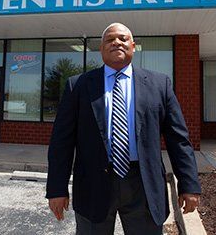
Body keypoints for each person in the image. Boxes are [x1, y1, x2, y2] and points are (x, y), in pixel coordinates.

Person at [46, 22, 201, 235]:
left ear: (133, 46)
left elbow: (178, 139)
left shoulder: (159, 84)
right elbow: (61, 142)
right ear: (101, 49)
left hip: (144, 185)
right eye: (109, 40)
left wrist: (189, 184)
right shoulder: (79, 86)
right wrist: (56, 188)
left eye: (122, 38)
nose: (116, 42)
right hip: (93, 184)